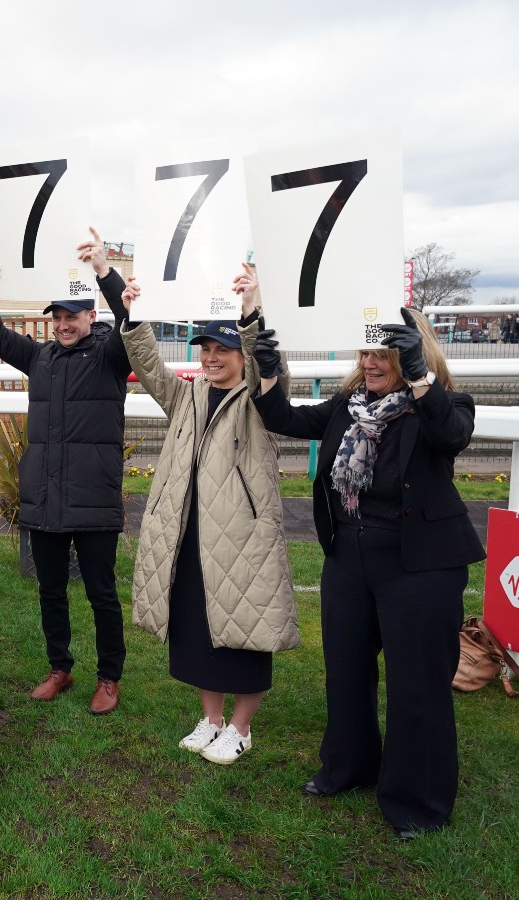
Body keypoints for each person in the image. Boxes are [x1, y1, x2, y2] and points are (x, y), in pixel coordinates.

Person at [252, 307, 484, 839]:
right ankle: (349, 767)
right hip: (350, 560)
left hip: (420, 567)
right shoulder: (347, 406)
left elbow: (451, 435)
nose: (372, 363)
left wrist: (421, 376)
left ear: (412, 355)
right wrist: (268, 373)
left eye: (385, 353)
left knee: (417, 686)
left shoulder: (441, 403)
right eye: (367, 353)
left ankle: (417, 800)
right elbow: (284, 419)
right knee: (347, 672)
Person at [120, 265, 299, 763]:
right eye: (206, 349)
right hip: (188, 532)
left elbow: (270, 364)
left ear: (242, 355)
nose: (212, 358)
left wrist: (249, 313)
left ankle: (241, 728)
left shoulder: (262, 400)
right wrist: (133, 316)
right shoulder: (187, 396)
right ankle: (212, 719)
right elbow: (151, 366)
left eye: (223, 349)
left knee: (244, 630)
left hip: (241, 538)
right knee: (197, 627)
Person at [0, 228, 130, 715]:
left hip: (94, 497)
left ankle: (109, 678)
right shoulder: (40, 357)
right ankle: (60, 667)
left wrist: (104, 272)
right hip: (45, 496)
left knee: (102, 592)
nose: (63, 325)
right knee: (51, 588)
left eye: (71, 316)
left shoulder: (111, 354)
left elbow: (133, 323)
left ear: (91, 315)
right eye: (57, 317)